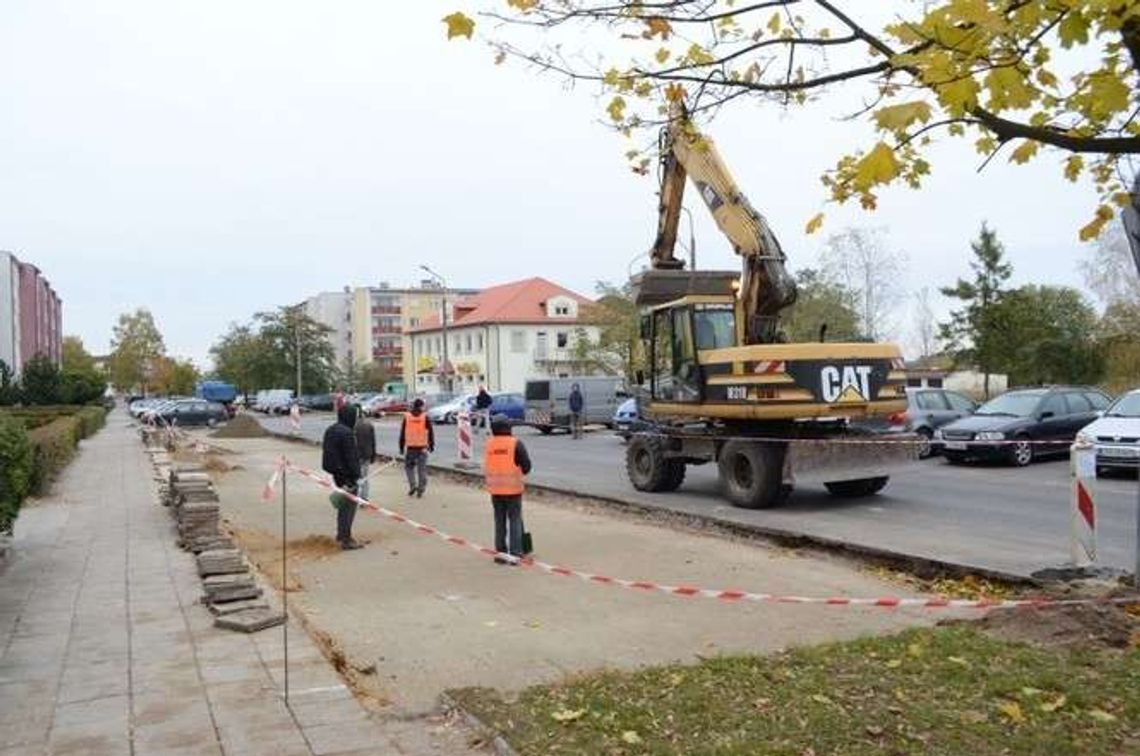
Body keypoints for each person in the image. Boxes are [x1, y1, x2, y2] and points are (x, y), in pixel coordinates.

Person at [484, 414, 532, 564]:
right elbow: (527, 466)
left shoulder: (489, 444)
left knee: (499, 521)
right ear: (508, 427)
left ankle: (500, 553)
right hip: (512, 490)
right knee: (515, 520)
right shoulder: (515, 443)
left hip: (495, 490)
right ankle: (516, 553)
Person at [322, 404, 363, 550]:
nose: (356, 419)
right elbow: (351, 457)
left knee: (343, 506)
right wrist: (355, 475)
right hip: (347, 476)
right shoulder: (347, 433)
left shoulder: (331, 430)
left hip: (336, 474)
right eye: (355, 416)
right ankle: (346, 539)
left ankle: (342, 534)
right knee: (348, 508)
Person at [399, 398, 435, 497]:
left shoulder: (407, 417)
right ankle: (421, 489)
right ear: (421, 406)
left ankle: (412, 485)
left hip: (410, 447)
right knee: (422, 469)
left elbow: (402, 433)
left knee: (409, 467)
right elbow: (430, 432)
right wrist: (431, 445)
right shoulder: (425, 417)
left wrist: (401, 447)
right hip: (422, 447)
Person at [354, 406, 377, 502]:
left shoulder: (352, 426)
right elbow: (373, 442)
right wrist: (373, 455)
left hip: (356, 455)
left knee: (356, 476)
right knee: (365, 476)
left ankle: (357, 496)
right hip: (367, 454)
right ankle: (364, 497)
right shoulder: (369, 425)